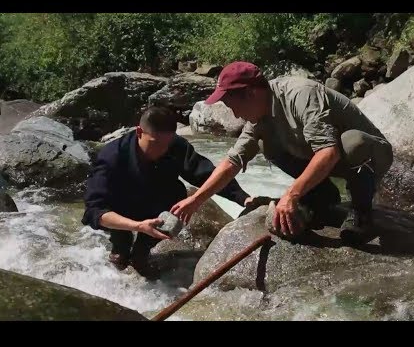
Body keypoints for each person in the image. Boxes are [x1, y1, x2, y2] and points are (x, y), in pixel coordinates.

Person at [170, 61, 393, 245]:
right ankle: (322, 196)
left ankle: (361, 212)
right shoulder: (259, 115)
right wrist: (196, 200)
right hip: (331, 157)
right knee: (267, 146)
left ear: (251, 93)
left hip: (371, 155)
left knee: (352, 142)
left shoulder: (301, 95)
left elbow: (328, 152)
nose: (236, 115)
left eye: (233, 106)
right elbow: (232, 162)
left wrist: (291, 194)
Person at [81, 106, 251, 278]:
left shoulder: (175, 145)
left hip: (158, 203)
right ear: (139, 132)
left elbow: (206, 174)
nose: (162, 150)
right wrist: (137, 226)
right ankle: (120, 248)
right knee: (121, 250)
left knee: (178, 197)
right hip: (123, 207)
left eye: (166, 144)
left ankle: (142, 252)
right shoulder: (112, 156)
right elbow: (95, 210)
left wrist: (242, 198)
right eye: (155, 143)